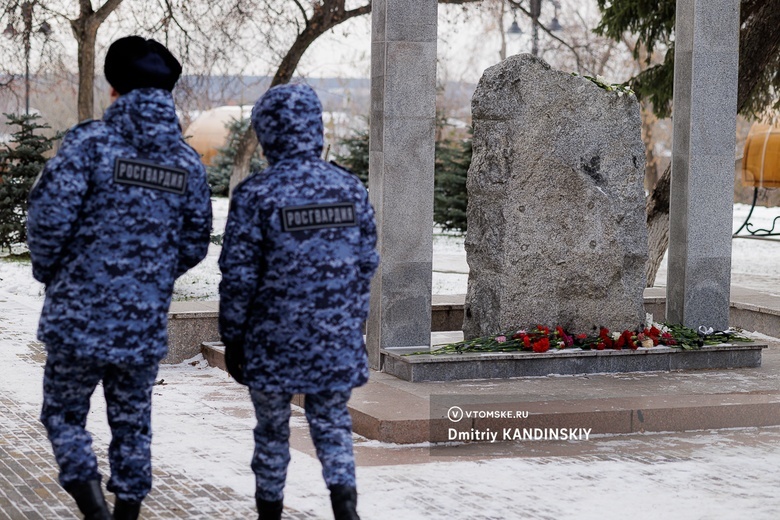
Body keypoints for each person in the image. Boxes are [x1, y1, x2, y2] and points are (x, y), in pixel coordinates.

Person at [27, 36, 212, 520]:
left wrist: (57, 276)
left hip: (77, 321)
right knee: (133, 425)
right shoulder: (187, 163)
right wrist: (148, 279)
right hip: (142, 324)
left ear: (114, 90)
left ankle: (95, 514)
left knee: (64, 416)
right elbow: (194, 243)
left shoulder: (87, 146)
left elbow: (47, 223)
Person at [218, 83, 379, 520]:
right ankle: (346, 512)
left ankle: (269, 513)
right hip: (334, 339)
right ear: (315, 128)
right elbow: (366, 262)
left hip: (272, 343)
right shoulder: (349, 188)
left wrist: (233, 338)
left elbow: (238, 277)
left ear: (268, 134)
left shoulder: (256, 195)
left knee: (271, 432)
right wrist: (350, 325)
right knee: (332, 427)